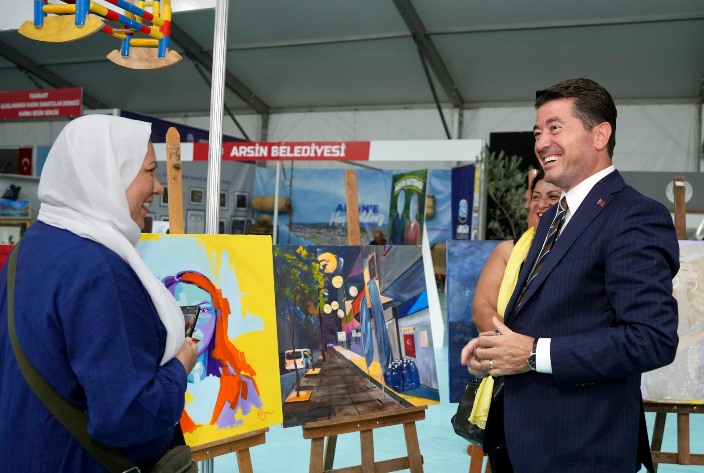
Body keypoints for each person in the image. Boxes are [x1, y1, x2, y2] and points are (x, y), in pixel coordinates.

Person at [461, 78, 679, 472]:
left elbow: (652, 339)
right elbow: (543, 317)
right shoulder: (552, 220)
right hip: (521, 441)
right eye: (537, 132)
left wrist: (532, 355)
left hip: (583, 447)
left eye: (555, 128)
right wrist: (496, 353)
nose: (541, 142)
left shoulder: (635, 216)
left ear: (600, 135)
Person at [0, 115, 199, 472]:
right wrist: (179, 367)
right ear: (107, 175)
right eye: (149, 171)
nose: (158, 188)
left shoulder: (32, 246)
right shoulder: (100, 271)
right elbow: (127, 415)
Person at [469, 168, 560, 472]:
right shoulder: (508, 251)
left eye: (552, 196)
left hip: (559, 379)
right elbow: (482, 307)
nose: (541, 204)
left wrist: (535, 350)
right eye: (536, 197)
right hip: (509, 381)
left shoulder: (578, 251)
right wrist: (511, 344)